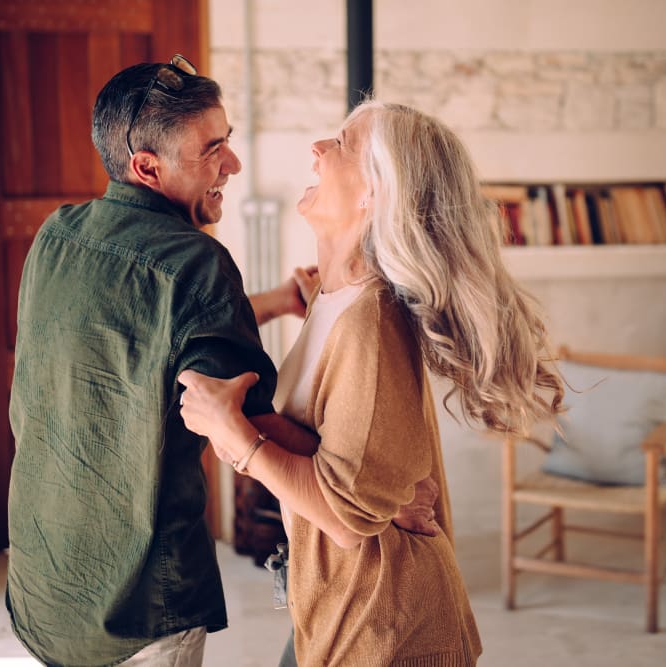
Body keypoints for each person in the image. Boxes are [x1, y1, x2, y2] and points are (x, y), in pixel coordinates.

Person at [177, 100, 565, 666]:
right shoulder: (336, 301)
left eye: (342, 144)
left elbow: (346, 517)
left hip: (387, 627)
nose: (317, 150)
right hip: (348, 610)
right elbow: (348, 464)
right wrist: (387, 494)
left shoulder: (370, 319)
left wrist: (235, 438)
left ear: (376, 192)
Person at [4, 57, 316, 667]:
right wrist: (368, 486)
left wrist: (276, 302)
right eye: (214, 148)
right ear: (147, 166)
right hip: (138, 603)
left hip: (43, 583)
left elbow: (146, 329)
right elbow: (241, 430)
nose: (233, 164)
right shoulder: (198, 263)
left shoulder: (58, 235)